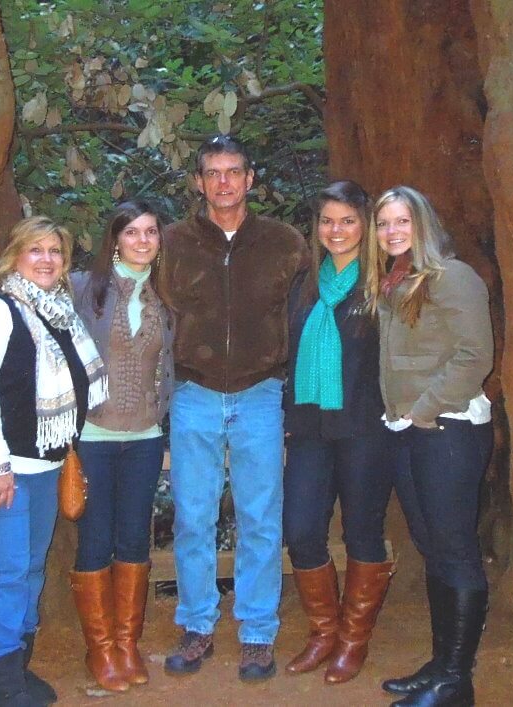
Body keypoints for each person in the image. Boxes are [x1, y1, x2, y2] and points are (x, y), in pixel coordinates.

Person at [0, 216, 107, 707]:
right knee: (5, 573)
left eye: (56, 251)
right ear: (14, 256)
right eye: (36, 250)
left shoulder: (59, 313)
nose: (47, 260)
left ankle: (18, 664)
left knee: (30, 568)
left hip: (41, 465)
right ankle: (3, 686)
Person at [158, 135, 307, 681]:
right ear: (198, 182)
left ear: (250, 178)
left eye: (233, 171)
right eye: (212, 173)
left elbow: (311, 311)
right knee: (193, 516)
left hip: (260, 392)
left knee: (260, 517)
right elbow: (124, 287)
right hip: (194, 392)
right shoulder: (171, 244)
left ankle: (257, 631)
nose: (223, 182)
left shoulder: (285, 244)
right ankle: (197, 624)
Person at [364, 187, 494, 707]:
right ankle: (442, 666)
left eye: (402, 221)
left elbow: (473, 356)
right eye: (384, 224)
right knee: (433, 545)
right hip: (409, 432)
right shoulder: (395, 282)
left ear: (423, 224)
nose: (392, 231)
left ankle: (456, 683)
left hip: (448, 430)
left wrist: (423, 408)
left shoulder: (453, 277)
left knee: (456, 549)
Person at [280, 180, 398, 684]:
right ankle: (323, 632)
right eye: (327, 220)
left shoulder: (385, 285)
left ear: (365, 226)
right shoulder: (305, 285)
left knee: (362, 531)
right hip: (309, 426)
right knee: (302, 529)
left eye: (347, 220)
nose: (336, 230)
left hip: (365, 427)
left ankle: (352, 640)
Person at [65, 200, 176, 692]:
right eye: (131, 231)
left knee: (133, 539)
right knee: (95, 539)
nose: (142, 240)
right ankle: (101, 649)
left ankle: (127, 644)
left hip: (146, 439)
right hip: (92, 437)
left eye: (150, 231)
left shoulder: (164, 297)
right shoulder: (80, 289)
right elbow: (29, 310)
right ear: (114, 238)